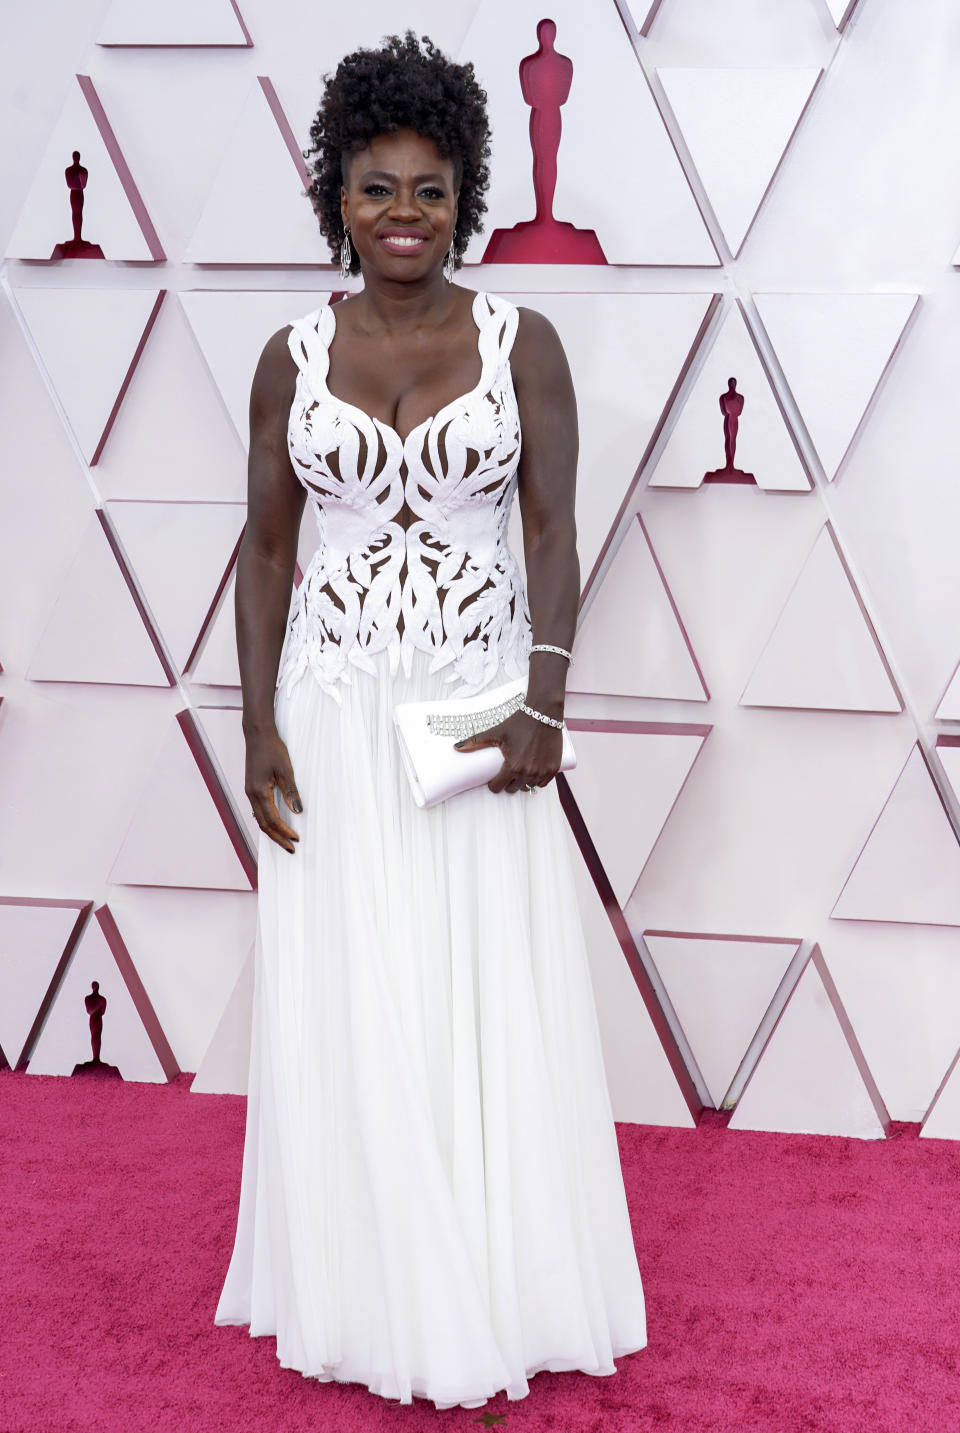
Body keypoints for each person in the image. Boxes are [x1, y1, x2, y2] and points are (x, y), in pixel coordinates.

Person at [214, 30, 647, 1411]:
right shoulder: (289, 357)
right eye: (375, 188)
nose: (405, 215)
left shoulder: (527, 341)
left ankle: (495, 1283)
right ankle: (369, 1288)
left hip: (472, 716)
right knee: (357, 991)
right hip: (333, 710)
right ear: (334, 199)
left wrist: (545, 699)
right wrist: (255, 724)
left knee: (479, 993)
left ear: (466, 195)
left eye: (432, 190)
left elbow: (555, 526)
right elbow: (269, 552)